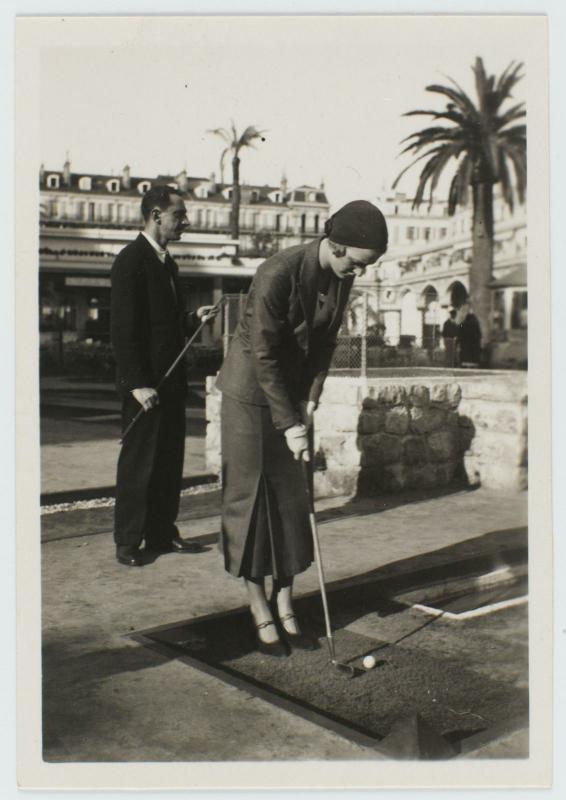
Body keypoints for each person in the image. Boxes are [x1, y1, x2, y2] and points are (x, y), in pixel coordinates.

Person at [216, 200, 388, 655]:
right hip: (251, 394)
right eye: (357, 263)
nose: (359, 273)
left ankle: (287, 598)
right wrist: (288, 423)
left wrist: (311, 397)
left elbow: (326, 342)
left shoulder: (342, 275)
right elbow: (265, 355)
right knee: (253, 502)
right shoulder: (277, 273)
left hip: (292, 395)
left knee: (294, 501)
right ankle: (258, 604)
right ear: (334, 245)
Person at [110, 186, 218, 567]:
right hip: (145, 387)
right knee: (139, 464)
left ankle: (160, 533)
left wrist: (192, 319)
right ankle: (127, 542)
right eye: (180, 215)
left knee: (169, 460)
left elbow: (163, 326)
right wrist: (137, 384)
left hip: (171, 383)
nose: (185, 222)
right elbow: (124, 330)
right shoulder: (131, 260)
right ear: (156, 215)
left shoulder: (166, 263)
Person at [457, 302, 482, 367]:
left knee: (465, 358)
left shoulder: (463, 324)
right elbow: (479, 335)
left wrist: (458, 342)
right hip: (474, 347)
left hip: (465, 346)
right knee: (473, 359)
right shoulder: (476, 324)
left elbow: (459, 332)